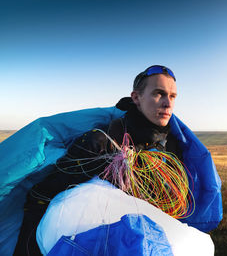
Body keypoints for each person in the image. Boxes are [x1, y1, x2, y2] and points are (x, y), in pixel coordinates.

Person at [14, 65, 216, 255]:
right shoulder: (106, 140)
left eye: (172, 96)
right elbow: (45, 196)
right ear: (136, 97)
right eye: (158, 93)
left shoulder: (173, 146)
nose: (168, 103)